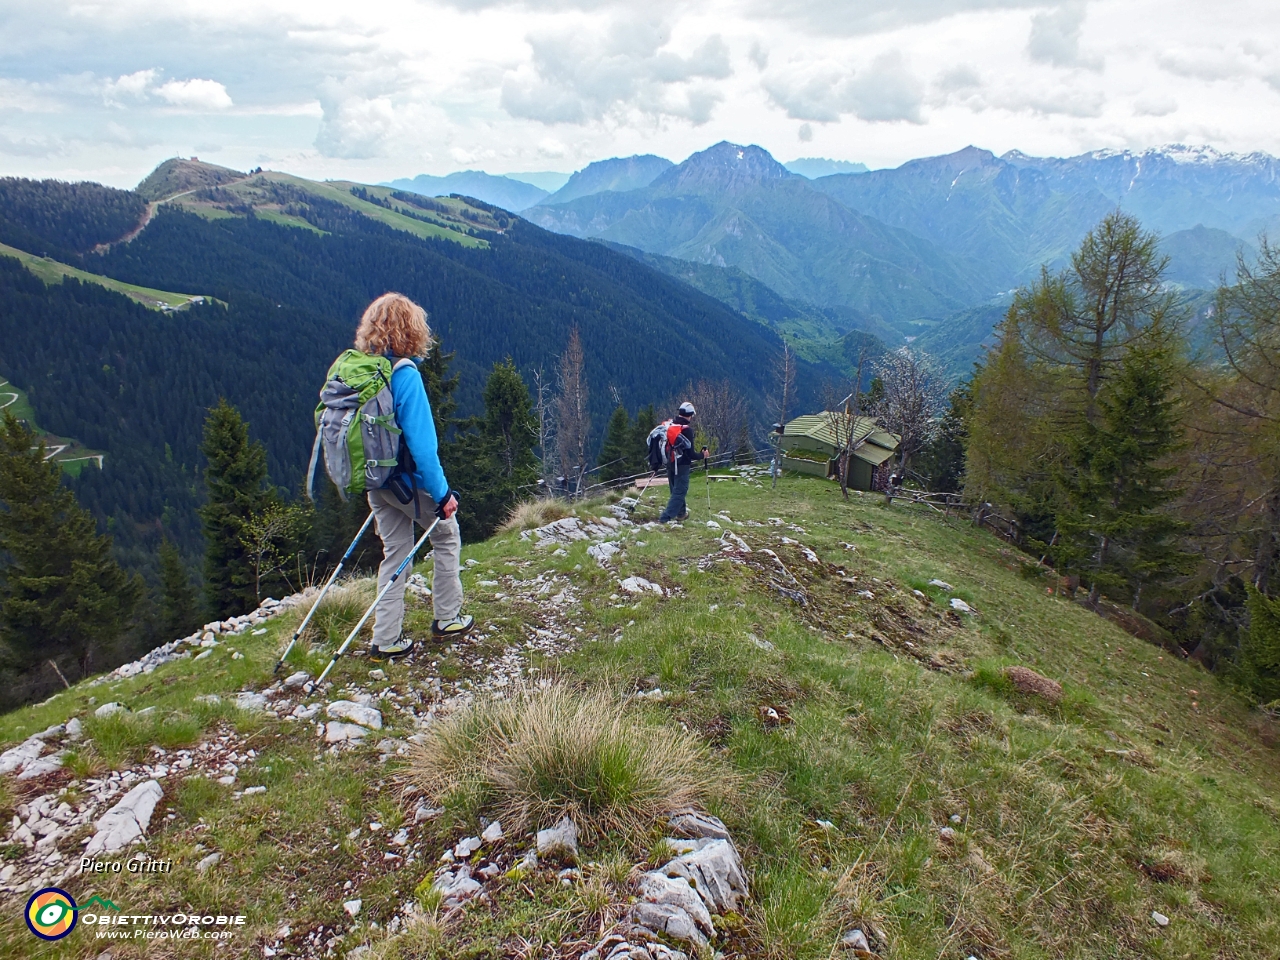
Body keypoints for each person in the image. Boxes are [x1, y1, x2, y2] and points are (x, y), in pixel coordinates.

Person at [354, 293, 473, 659]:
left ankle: (386, 639)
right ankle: (447, 618)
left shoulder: (362, 371)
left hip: (376, 480)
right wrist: (442, 496)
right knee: (447, 536)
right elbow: (423, 449)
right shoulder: (404, 374)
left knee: (396, 553)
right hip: (407, 483)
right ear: (411, 330)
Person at [658, 401, 709, 523]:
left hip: (670, 462)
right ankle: (665, 518)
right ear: (690, 415)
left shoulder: (670, 425)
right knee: (680, 491)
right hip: (682, 465)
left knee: (675, 488)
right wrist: (703, 455)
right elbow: (690, 454)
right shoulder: (686, 430)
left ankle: (681, 514)